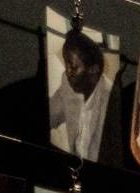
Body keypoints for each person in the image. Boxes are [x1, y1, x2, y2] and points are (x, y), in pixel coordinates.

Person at [48, 26, 120, 166]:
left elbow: (113, 159)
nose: (68, 72)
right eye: (66, 64)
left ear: (93, 69)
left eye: (73, 67)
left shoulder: (111, 99)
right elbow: (49, 116)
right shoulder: (67, 84)